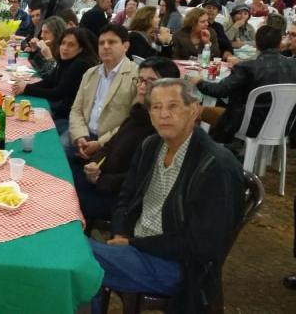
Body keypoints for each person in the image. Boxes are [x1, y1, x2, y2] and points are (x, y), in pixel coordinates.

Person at [90, 78, 244, 314]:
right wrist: (121, 232)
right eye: (156, 107)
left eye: (173, 106)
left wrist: (132, 243)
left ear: (194, 110)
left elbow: (201, 245)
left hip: (179, 266)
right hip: (136, 246)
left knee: (80, 260)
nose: (163, 115)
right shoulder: (151, 146)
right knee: (78, 259)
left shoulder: (214, 166)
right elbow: (125, 197)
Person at [76, 57, 179, 220]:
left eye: (151, 82)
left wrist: (100, 180)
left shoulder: (164, 128)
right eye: (140, 80)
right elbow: (109, 147)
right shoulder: (138, 114)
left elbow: (143, 178)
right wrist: (94, 164)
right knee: (62, 182)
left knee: (63, 199)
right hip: (103, 183)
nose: (142, 87)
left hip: (125, 202)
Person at [189, 25, 296, 143]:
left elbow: (219, 90)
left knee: (196, 109)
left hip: (248, 125)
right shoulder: (293, 65)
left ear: (257, 43)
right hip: (283, 125)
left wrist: (199, 82)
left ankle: (201, 151)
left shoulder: (247, 68)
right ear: (279, 43)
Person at [69, 24, 138, 161]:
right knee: (54, 154)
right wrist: (80, 135)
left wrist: (100, 143)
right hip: (84, 134)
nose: (105, 46)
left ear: (126, 46)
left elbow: (132, 122)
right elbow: (76, 109)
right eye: (101, 43)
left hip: (113, 141)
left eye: (112, 42)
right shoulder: (90, 73)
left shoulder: (136, 76)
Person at [13, 28, 97, 137]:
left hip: (70, 118)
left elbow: (57, 94)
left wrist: (27, 88)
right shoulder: (66, 60)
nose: (65, 48)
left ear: (80, 49)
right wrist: (25, 87)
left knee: (33, 130)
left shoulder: (80, 64)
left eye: (71, 45)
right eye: (63, 43)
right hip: (60, 110)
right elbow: (49, 81)